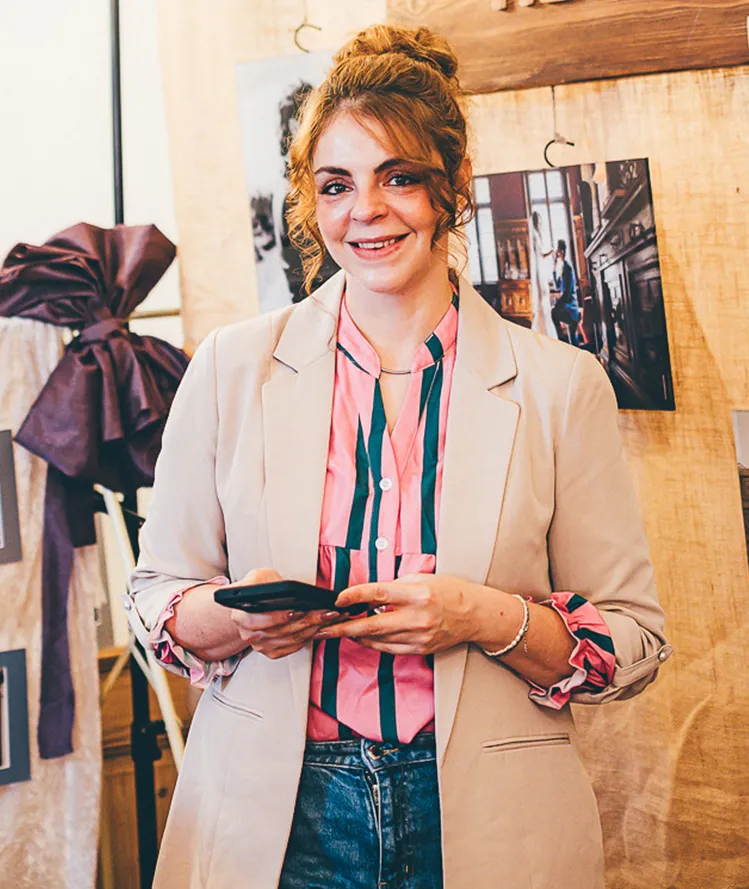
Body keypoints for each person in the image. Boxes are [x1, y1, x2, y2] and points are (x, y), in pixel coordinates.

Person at [125, 24, 671, 889]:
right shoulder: (231, 367)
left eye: (399, 177)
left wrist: (483, 617)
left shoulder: (560, 384)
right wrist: (237, 619)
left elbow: (633, 642)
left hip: (489, 819)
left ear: (452, 184)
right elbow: (156, 595)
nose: (366, 210)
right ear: (310, 201)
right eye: (336, 184)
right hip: (276, 818)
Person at [529, 210, 557, 338]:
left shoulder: (536, 236)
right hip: (539, 272)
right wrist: (551, 252)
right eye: (539, 222)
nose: (540, 225)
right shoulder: (535, 236)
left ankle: (545, 328)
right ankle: (543, 330)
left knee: (544, 299)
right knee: (543, 298)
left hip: (540, 270)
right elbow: (540, 255)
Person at [551, 238, 581, 345]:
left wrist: (557, 304)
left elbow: (567, 293)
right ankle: (566, 342)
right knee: (572, 337)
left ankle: (562, 341)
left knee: (554, 313)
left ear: (562, 251)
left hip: (571, 308)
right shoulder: (562, 267)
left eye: (558, 251)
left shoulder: (567, 268)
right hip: (567, 307)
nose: (557, 253)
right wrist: (554, 267)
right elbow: (557, 286)